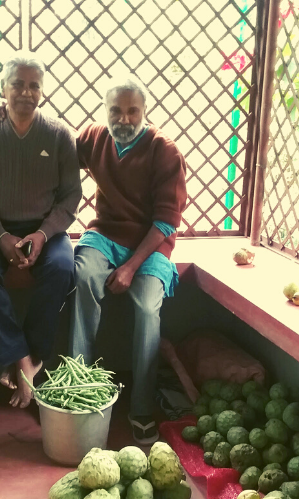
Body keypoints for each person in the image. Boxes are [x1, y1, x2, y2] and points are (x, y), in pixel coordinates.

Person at [0, 56, 81, 408]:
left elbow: (72, 195)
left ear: (43, 90)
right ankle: (20, 359)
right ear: (3, 88)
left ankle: (33, 355)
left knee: (61, 268)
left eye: (34, 85)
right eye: (18, 84)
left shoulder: (57, 134)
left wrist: (43, 235)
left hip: (44, 229)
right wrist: (1, 237)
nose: (26, 92)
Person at [70, 77, 187, 444]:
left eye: (132, 110)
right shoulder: (94, 137)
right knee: (85, 276)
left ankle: (140, 408)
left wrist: (130, 267)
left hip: (151, 243)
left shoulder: (163, 151)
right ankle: (80, 387)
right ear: (105, 112)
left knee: (147, 304)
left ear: (144, 111)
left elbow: (167, 220)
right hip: (105, 233)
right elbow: (54, 150)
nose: (123, 118)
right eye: (115, 111)